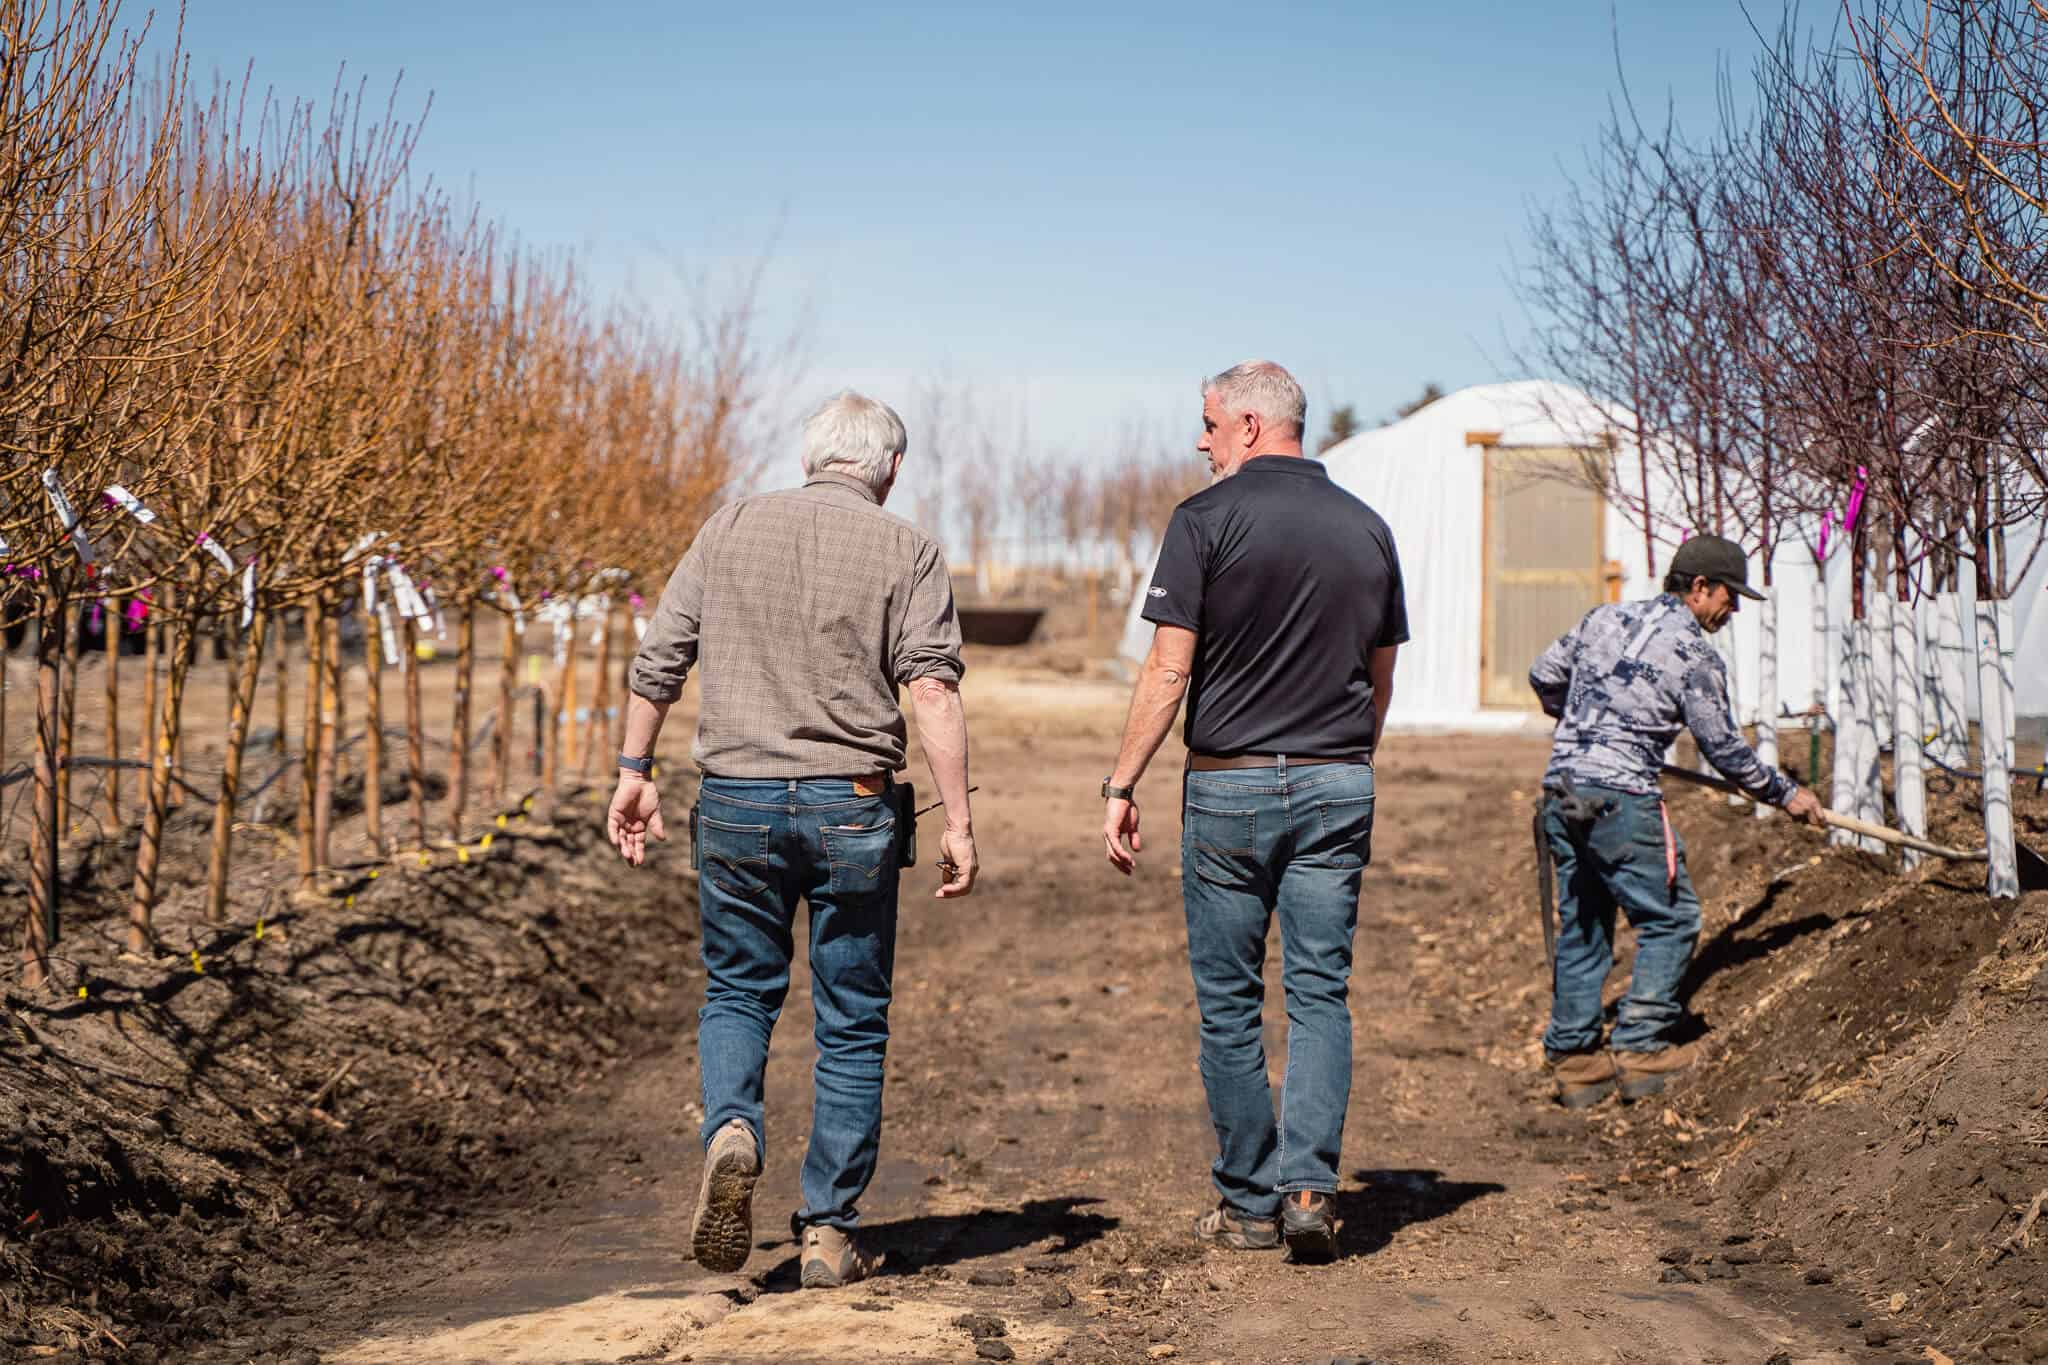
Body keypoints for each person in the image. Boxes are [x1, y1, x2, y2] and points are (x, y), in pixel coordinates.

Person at [608, 390, 978, 1287]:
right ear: (888, 468)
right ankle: (828, 1232)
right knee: (851, 1019)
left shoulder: (729, 526)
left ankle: (732, 1126)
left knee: (739, 990)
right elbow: (931, 689)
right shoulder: (908, 547)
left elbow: (660, 657)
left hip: (735, 800)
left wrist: (633, 769)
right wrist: (959, 818)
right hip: (853, 806)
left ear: (812, 456)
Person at [1101, 360, 1406, 1264]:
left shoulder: (1204, 521)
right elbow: (1381, 675)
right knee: (1319, 992)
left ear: (1245, 422)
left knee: (1230, 1003)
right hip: (1336, 780)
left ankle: (1246, 1205)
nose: (1199, 441)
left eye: (1205, 423)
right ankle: (1308, 1188)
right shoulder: (1369, 528)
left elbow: (1168, 669)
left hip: (1228, 786)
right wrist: (1350, 755)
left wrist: (1123, 782)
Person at [1528, 534, 1824, 1109]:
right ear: (1698, 587)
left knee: (1586, 919)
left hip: (1562, 788)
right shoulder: (1693, 655)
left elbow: (1544, 673)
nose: (1732, 610)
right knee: (1672, 918)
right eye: (1728, 596)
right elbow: (1725, 750)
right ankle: (1641, 1048)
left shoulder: (1603, 619)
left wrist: (1585, 726)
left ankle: (1577, 1063)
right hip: (1620, 796)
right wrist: (1787, 794)